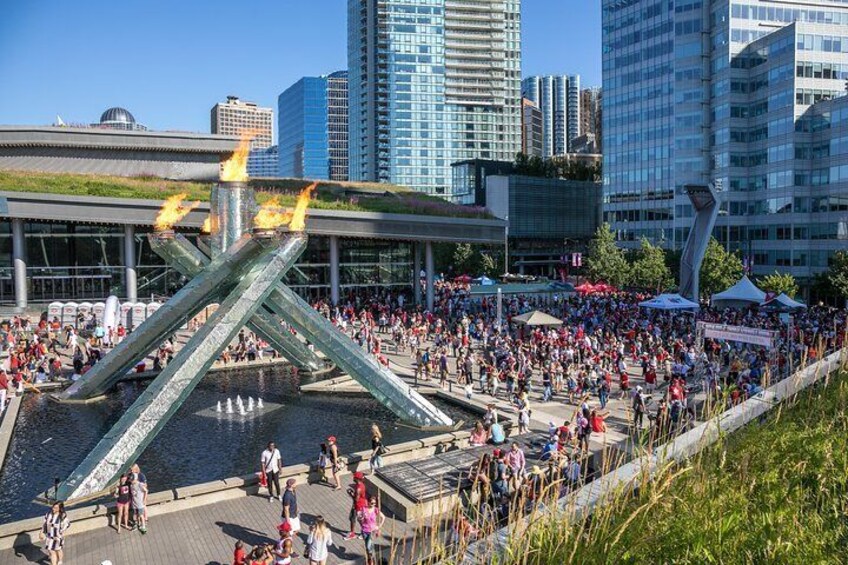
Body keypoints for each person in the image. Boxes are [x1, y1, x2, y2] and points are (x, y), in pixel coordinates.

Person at [358, 496, 386, 565]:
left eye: (375, 503)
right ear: (368, 502)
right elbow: (359, 518)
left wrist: (378, 527)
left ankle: (370, 561)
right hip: (364, 530)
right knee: (368, 546)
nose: (373, 504)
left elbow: (383, 517)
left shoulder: (375, 510)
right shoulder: (364, 509)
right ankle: (370, 559)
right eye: (372, 503)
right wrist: (361, 521)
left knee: (368, 546)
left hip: (372, 531)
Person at [345, 471, 368, 541]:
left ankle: (362, 533)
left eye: (354, 477)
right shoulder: (361, 485)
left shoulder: (358, 488)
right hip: (361, 504)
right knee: (356, 519)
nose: (353, 478)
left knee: (356, 519)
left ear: (357, 478)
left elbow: (356, 499)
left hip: (358, 505)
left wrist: (350, 493)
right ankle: (359, 532)